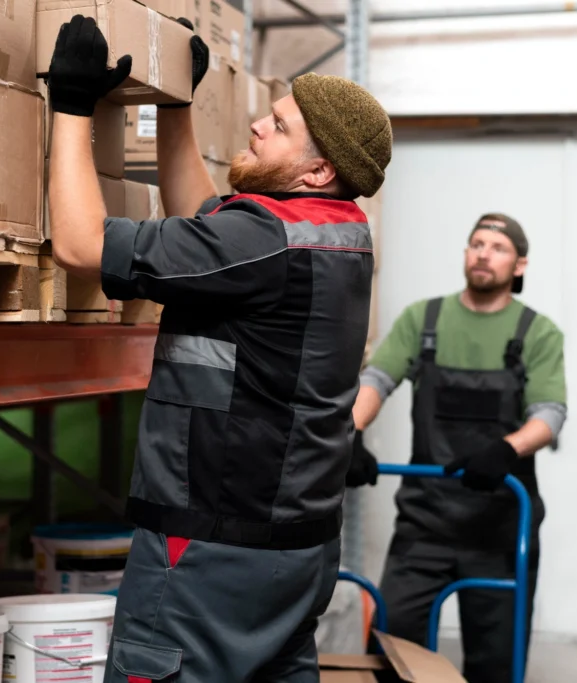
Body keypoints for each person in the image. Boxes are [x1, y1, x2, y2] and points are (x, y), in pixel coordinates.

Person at [44, 15, 392, 683]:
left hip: (209, 552)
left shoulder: (264, 243)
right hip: (296, 551)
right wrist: (177, 109)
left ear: (319, 169)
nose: (259, 124)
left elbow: (80, 245)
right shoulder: (338, 231)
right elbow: (208, 222)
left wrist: (71, 104)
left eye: (280, 127)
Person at [347, 214, 567, 683]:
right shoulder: (423, 320)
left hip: (500, 528)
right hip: (425, 523)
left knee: (495, 663)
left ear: (520, 264)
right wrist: (352, 432)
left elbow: (549, 414)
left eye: (498, 247)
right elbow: (377, 379)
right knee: (390, 649)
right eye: (477, 243)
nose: (484, 253)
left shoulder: (537, 332)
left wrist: (507, 450)